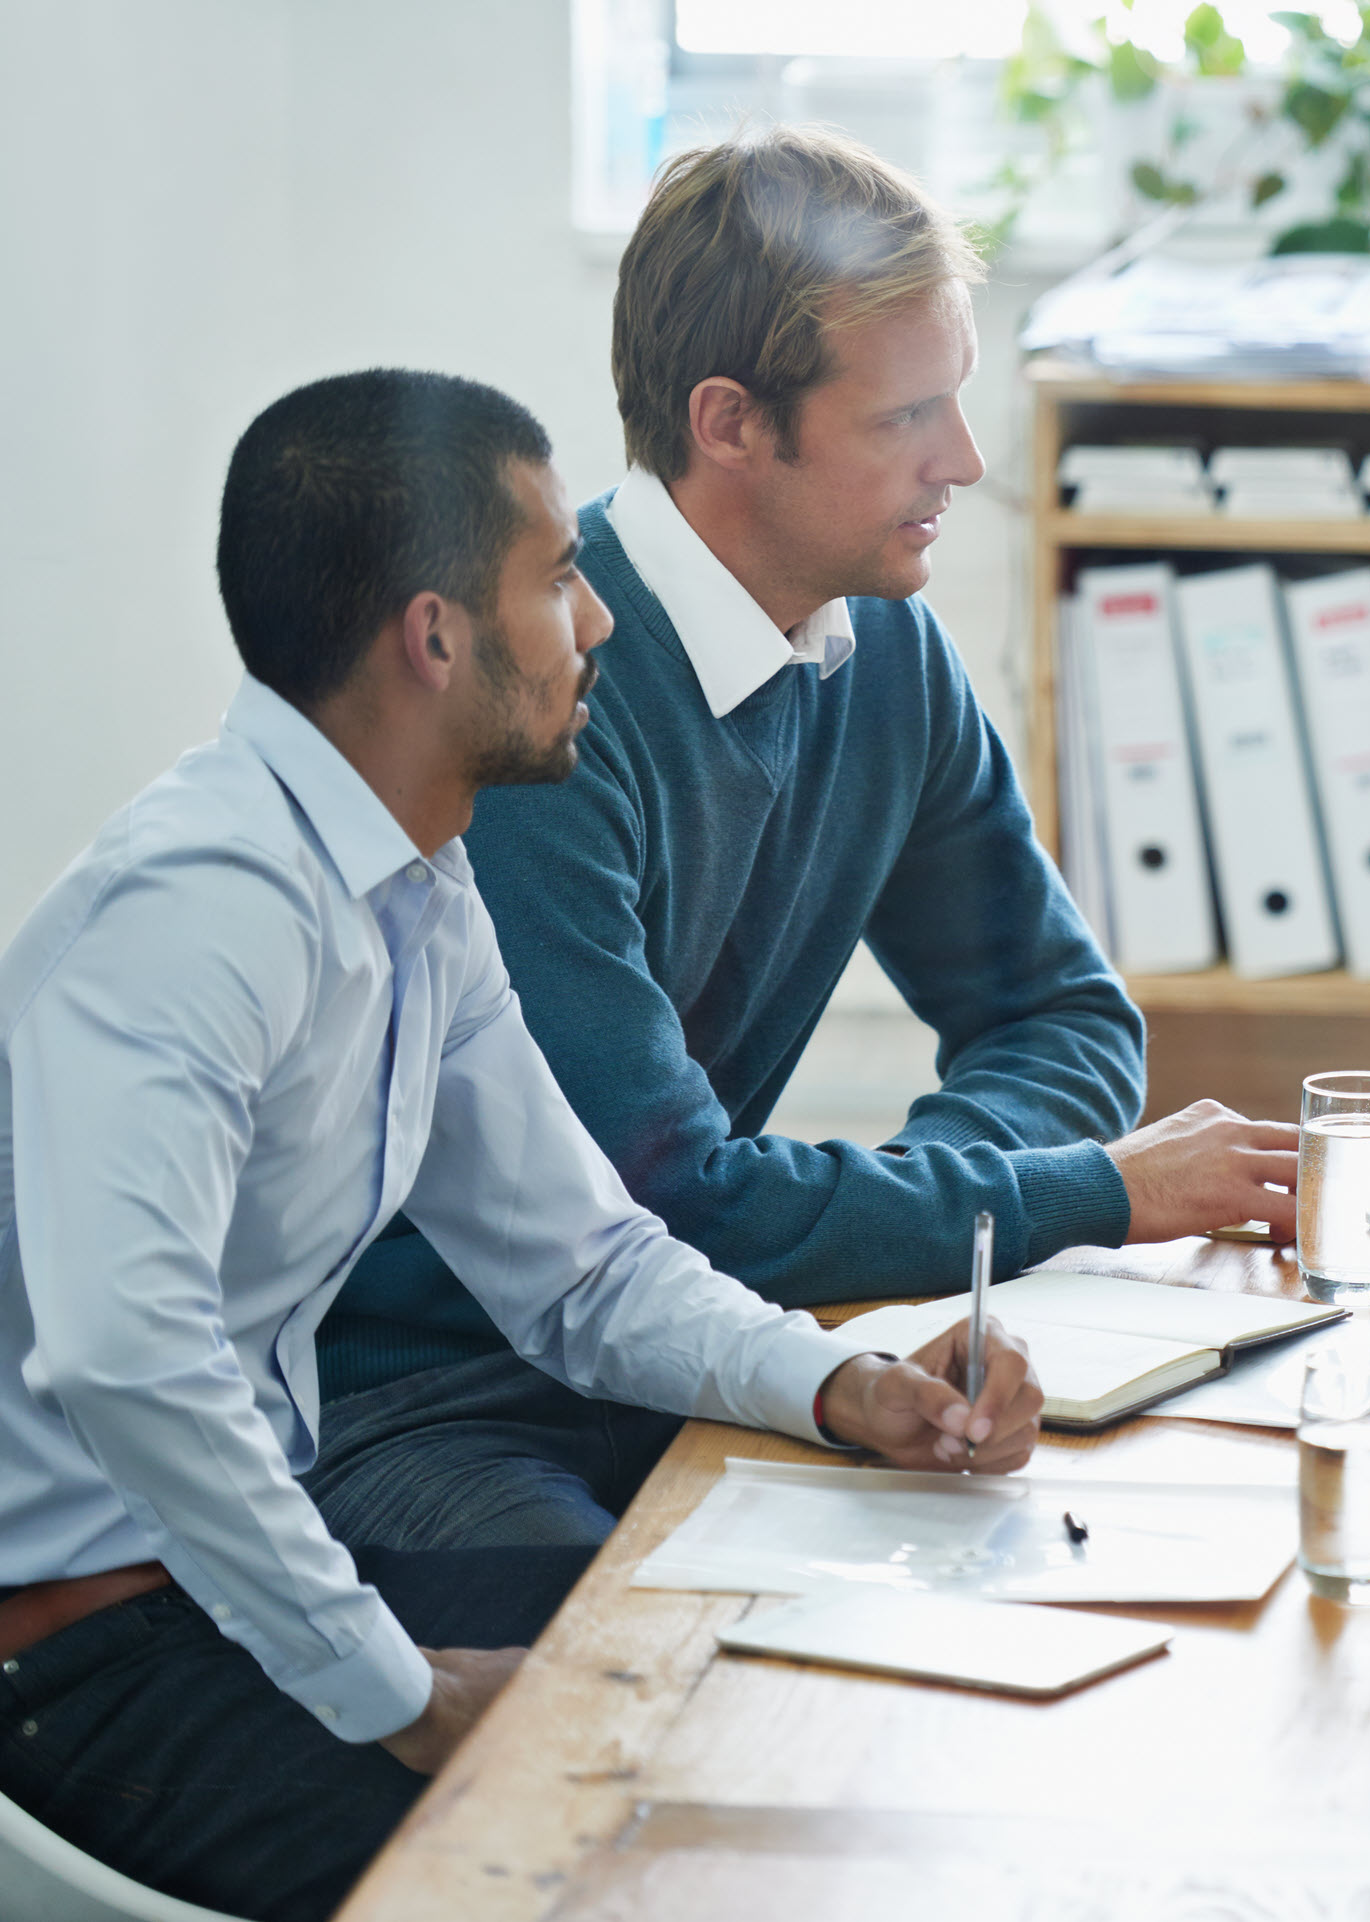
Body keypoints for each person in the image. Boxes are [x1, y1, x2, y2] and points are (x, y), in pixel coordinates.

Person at [0, 369, 1045, 1921]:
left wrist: (833, 1384)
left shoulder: (418, 889)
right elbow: (125, 1360)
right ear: (435, 636)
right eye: (557, 579)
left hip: (236, 1588)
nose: (599, 622)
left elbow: (586, 1265)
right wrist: (398, 1688)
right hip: (88, 1655)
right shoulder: (199, 912)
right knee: (643, 1853)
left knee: (754, 1667)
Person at [310, 127, 1297, 1556]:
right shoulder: (538, 699)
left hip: (715, 1340)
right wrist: (1072, 1192)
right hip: (442, 1394)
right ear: (731, 423)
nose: (963, 459)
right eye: (909, 416)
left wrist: (946, 1236)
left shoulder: (887, 651)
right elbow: (669, 1200)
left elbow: (1057, 1015)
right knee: (673, 1654)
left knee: (1029, 1550)